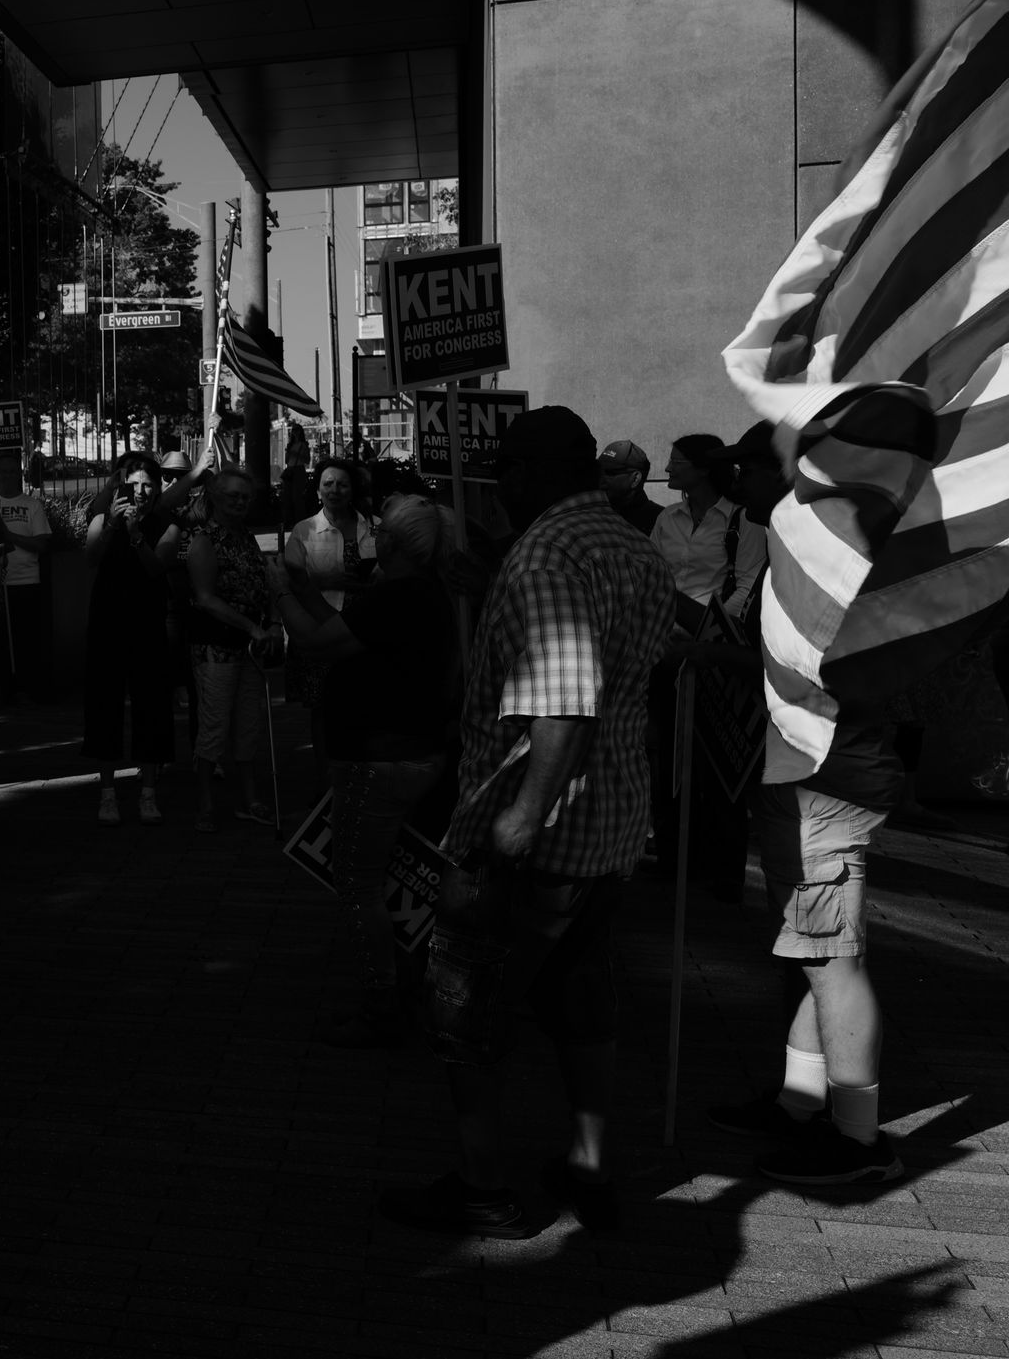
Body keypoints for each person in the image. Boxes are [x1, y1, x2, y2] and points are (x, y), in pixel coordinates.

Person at [379, 407, 673, 1240]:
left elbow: (565, 704)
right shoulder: (627, 546)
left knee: (468, 1012)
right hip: (608, 833)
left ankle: (482, 1187)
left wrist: (518, 819)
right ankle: (589, 1168)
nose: (497, 485)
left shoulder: (547, 553)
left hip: (537, 839)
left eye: (504, 470)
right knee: (582, 1005)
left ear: (525, 475)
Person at [700, 423, 907, 1185]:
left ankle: (856, 1137)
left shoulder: (827, 548)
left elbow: (830, 663)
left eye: (750, 466)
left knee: (830, 957)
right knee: (812, 951)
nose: (737, 481)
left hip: (828, 776)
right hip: (810, 773)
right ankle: (800, 1103)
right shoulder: (806, 540)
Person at [271, 496, 457, 1046]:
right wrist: (304, 590)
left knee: (359, 884)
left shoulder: (399, 595)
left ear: (394, 544)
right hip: (411, 752)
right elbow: (350, 632)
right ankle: (413, 987)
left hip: (380, 759)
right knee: (396, 878)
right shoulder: (419, 593)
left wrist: (278, 591)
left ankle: (383, 1001)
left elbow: (316, 643)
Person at [171, 465, 279, 832]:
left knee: (249, 725)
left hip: (250, 647)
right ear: (215, 497)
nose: (240, 502)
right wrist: (252, 626)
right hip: (215, 644)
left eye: (245, 497)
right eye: (233, 495)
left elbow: (264, 586)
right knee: (214, 725)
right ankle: (205, 802)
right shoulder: (204, 540)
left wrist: (270, 624)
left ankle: (248, 799)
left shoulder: (246, 537)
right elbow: (204, 598)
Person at [82, 452, 176, 824]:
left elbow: (158, 568)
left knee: (151, 706)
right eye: (133, 484)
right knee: (105, 705)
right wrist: (112, 527)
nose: (140, 492)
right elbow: (90, 558)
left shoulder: (167, 525)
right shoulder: (103, 519)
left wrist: (137, 535)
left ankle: (148, 792)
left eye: (147, 485)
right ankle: (107, 793)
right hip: (107, 622)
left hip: (147, 623)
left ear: (157, 490)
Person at [283, 458, 381, 716]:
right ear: (318, 490)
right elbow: (289, 582)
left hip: (366, 626)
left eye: (342, 485)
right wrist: (322, 581)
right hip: (321, 628)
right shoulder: (303, 531)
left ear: (353, 490)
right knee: (323, 707)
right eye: (328, 484)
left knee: (364, 702)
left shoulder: (376, 527)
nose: (334, 490)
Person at [652, 433, 766, 626]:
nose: (667, 468)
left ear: (703, 469)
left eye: (676, 462)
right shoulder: (667, 517)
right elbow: (650, 574)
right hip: (660, 630)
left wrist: (709, 630)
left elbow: (748, 586)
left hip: (710, 638)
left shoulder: (743, 519)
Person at [0, 453, 57, 702]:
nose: (7, 476)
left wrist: (10, 536)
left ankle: (30, 688)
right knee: (1, 644)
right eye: (2, 472)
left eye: (12, 471)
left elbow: (42, 544)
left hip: (27, 581)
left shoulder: (31, 505)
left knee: (28, 641)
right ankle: (4, 690)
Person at [598, 440, 662, 537]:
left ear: (635, 479)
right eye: (598, 471)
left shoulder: (662, 521)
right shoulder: (594, 514)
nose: (601, 478)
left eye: (610, 472)